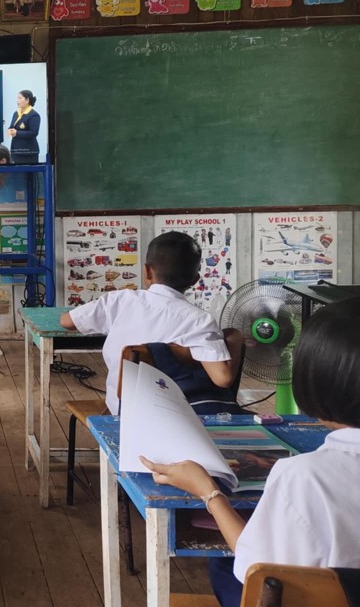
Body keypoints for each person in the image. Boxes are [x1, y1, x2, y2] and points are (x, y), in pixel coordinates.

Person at [141, 297, 360, 607]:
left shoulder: (304, 477)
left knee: (224, 564)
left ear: (317, 378)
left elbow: (255, 568)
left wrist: (209, 493)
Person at [60, 231, 238, 415]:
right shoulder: (199, 320)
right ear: (195, 280)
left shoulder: (119, 300)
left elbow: (67, 321)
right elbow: (223, 378)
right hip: (175, 416)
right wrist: (235, 337)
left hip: (121, 413)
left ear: (146, 271)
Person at [6, 90, 41, 164]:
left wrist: (17, 133)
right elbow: (12, 126)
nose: (17, 101)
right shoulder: (16, 113)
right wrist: (10, 130)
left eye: (20, 98)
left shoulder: (34, 115)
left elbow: (33, 133)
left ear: (27, 100)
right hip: (16, 150)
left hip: (28, 152)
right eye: (17, 98)